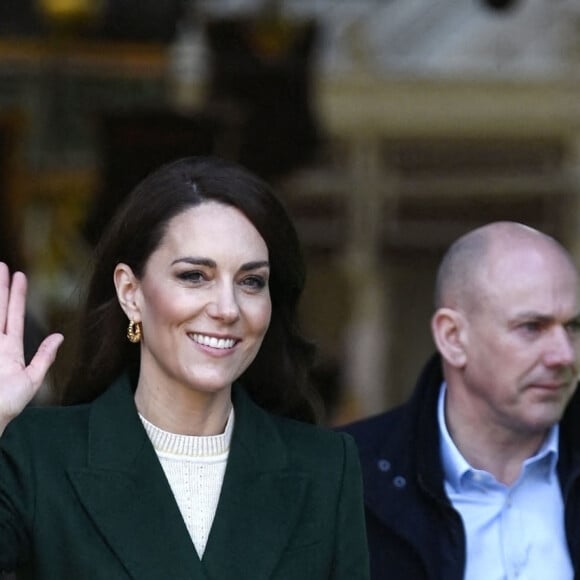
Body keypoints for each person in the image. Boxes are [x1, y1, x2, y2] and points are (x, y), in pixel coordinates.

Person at [0, 156, 370, 579]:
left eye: (251, 281)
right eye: (195, 276)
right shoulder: (35, 454)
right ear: (130, 292)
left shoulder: (326, 468)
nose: (228, 309)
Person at [342, 221, 580, 580]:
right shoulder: (345, 480)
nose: (563, 355)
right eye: (531, 327)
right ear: (453, 337)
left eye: (574, 327)